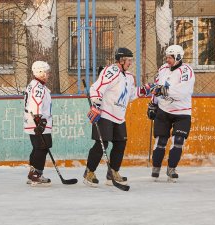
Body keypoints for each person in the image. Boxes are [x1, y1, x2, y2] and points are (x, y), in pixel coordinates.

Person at [83, 47, 155, 187]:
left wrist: (145, 89)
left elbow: (131, 95)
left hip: (119, 116)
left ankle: (113, 173)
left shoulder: (128, 77)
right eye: (128, 60)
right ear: (121, 60)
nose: (130, 63)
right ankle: (89, 172)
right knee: (101, 143)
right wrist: (96, 105)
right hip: (105, 113)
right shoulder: (111, 71)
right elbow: (96, 88)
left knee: (120, 144)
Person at [147, 45, 195, 182]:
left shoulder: (187, 71)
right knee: (161, 141)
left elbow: (183, 91)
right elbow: (156, 88)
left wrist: (164, 91)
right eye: (167, 57)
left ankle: (171, 169)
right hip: (164, 110)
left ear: (178, 57)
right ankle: (156, 167)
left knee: (178, 141)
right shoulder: (163, 69)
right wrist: (153, 104)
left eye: (170, 57)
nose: (167, 60)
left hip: (182, 112)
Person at [23, 61, 52, 186]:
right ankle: (36, 174)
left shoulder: (34, 85)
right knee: (42, 147)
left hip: (35, 122)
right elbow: (35, 104)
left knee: (39, 147)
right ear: (40, 72)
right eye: (46, 72)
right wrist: (39, 120)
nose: (48, 74)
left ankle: (34, 172)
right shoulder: (38, 87)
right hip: (38, 122)